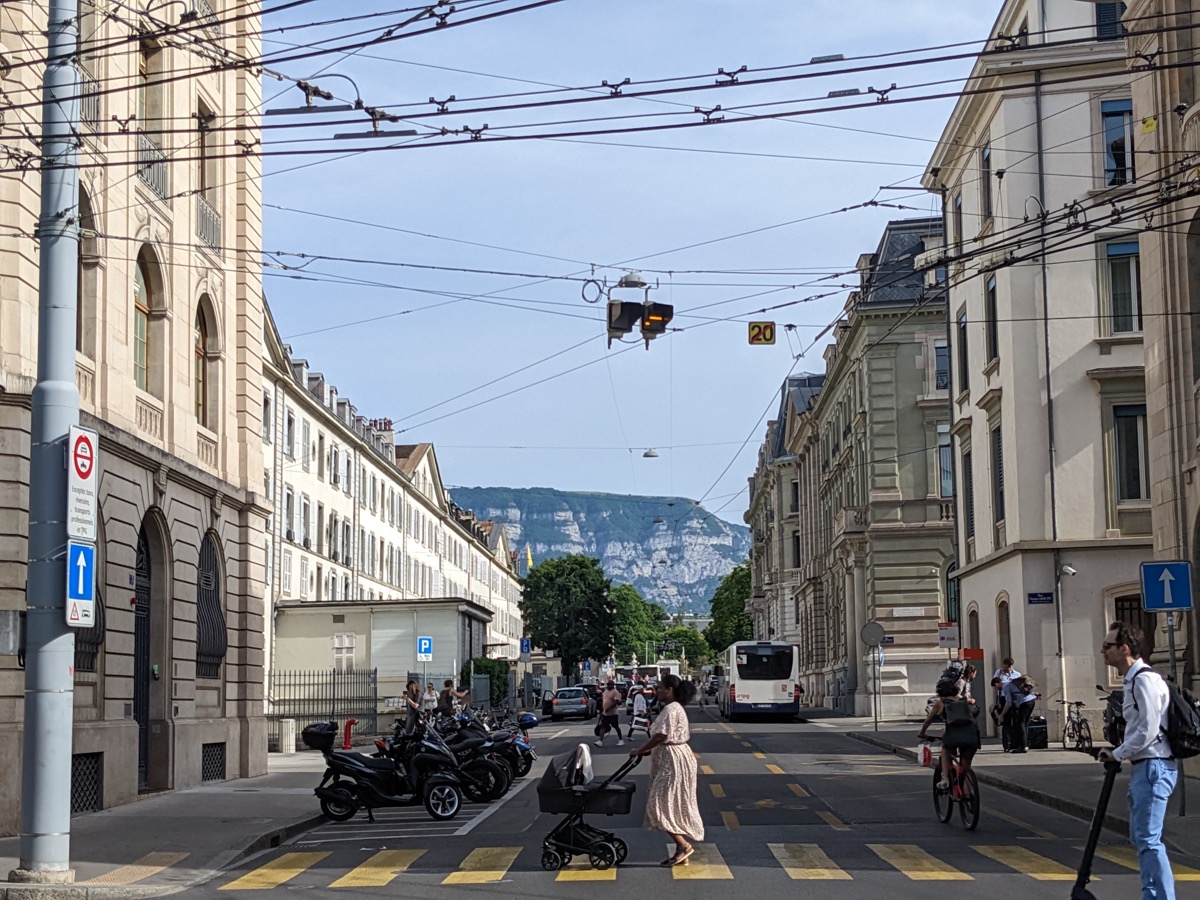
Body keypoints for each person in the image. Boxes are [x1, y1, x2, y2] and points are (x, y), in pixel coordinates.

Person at [1098, 621, 1177, 900]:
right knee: (1142, 838)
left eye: (1107, 646)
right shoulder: (1133, 679)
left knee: (1149, 840)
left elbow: (1148, 729)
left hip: (1154, 766)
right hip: (1146, 766)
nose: (1102, 650)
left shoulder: (1144, 680)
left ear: (1125, 649)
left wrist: (1117, 753)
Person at [629, 673, 703, 867]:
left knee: (658, 804)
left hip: (674, 760)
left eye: (661, 688)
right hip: (672, 757)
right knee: (669, 803)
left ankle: (684, 845)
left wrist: (641, 750)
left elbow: (661, 735)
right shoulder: (673, 708)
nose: (658, 691)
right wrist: (650, 750)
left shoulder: (671, 709)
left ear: (669, 690)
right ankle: (681, 848)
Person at [918, 679, 980, 792]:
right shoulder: (964, 700)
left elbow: (928, 720)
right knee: (965, 765)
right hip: (972, 735)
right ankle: (967, 789)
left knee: (945, 749)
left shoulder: (940, 703)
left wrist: (922, 733)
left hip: (953, 736)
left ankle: (945, 779)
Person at [1002, 675, 1038, 753]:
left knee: (1020, 723)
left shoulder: (1006, 687)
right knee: (1024, 723)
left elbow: (1008, 702)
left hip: (1024, 703)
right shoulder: (1014, 683)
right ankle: (1025, 744)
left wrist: (1002, 714)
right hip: (1032, 701)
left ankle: (1023, 746)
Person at [594, 681, 625, 748]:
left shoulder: (615, 692)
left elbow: (616, 702)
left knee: (616, 727)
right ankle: (600, 741)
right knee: (603, 726)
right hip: (605, 713)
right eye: (607, 684)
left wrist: (609, 708)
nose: (608, 685)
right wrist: (602, 710)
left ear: (613, 685)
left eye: (609, 684)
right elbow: (604, 701)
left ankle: (621, 740)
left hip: (613, 714)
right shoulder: (605, 691)